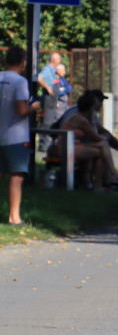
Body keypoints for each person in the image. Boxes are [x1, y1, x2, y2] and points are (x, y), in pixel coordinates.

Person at [1, 47, 42, 225]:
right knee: (16, 176)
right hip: (15, 137)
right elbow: (22, 109)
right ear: (23, 62)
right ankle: (14, 217)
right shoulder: (20, 82)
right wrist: (35, 106)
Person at [58, 93, 118, 189]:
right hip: (64, 147)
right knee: (102, 145)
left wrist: (110, 140)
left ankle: (100, 183)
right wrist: (107, 139)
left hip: (74, 145)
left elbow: (99, 132)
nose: (100, 105)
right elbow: (95, 137)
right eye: (97, 103)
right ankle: (110, 176)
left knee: (100, 149)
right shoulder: (80, 119)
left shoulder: (84, 116)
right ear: (91, 107)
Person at [36, 52, 62, 150]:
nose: (60, 60)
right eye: (58, 58)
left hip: (53, 100)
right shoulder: (47, 69)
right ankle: (43, 145)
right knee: (46, 122)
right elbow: (39, 78)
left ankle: (47, 143)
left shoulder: (53, 70)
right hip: (48, 99)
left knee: (51, 121)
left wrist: (56, 100)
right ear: (53, 60)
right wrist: (47, 87)